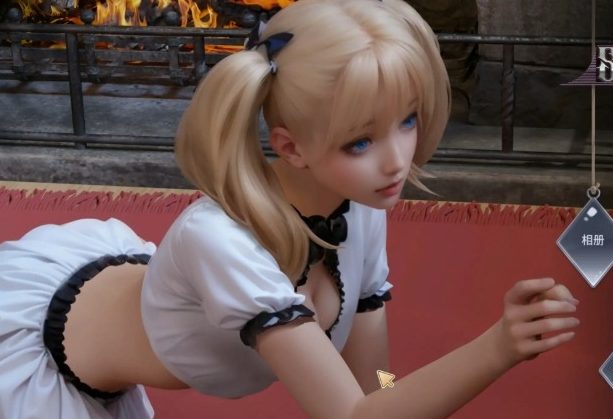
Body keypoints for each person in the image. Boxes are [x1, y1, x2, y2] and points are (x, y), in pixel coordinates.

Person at [0, 1, 580, 418]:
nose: (397, 160)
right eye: (361, 141)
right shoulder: (223, 243)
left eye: (407, 120)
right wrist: (496, 347)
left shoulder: (361, 211)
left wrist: (393, 388)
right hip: (38, 368)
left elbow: (376, 389)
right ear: (290, 147)